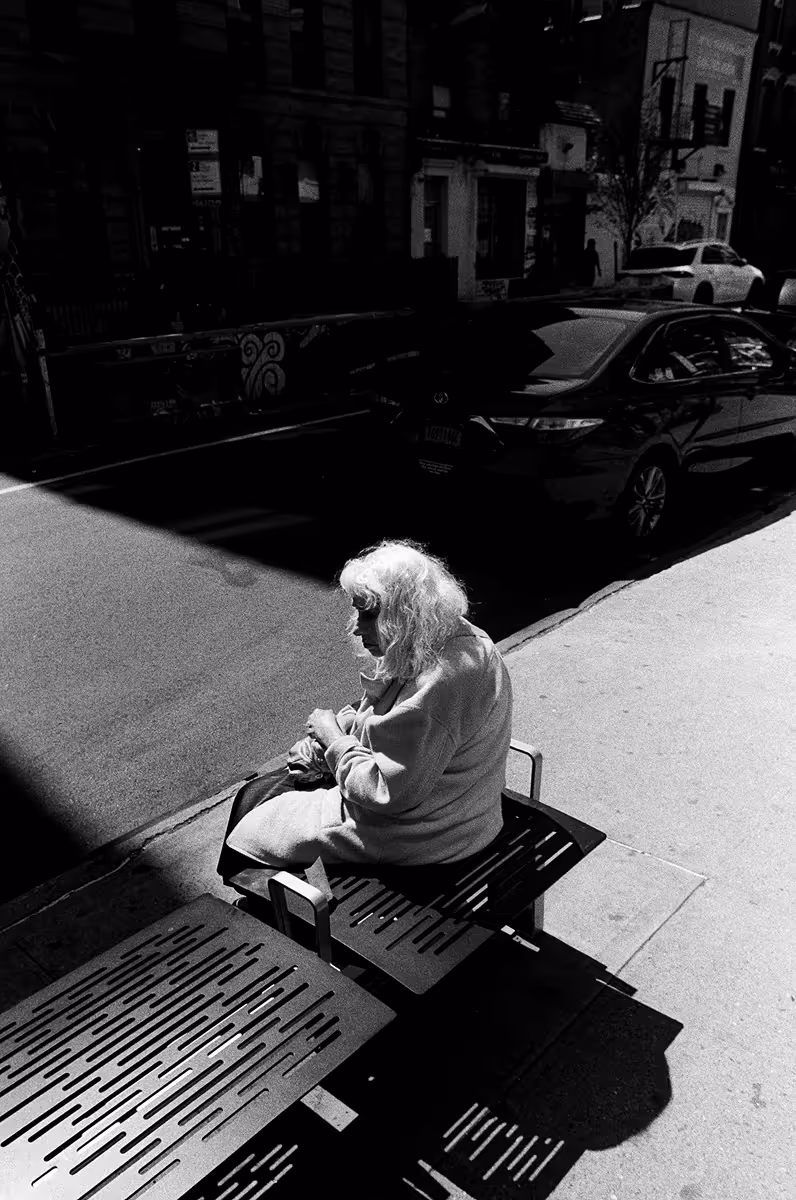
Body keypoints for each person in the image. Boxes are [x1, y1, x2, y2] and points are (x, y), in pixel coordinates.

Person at [218, 539, 513, 877]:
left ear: (406, 614)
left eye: (368, 613)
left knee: (256, 822)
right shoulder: (453, 637)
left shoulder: (439, 682)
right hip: (462, 811)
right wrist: (337, 731)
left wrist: (332, 739)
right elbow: (389, 710)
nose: (358, 627)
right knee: (259, 794)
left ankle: (271, 916)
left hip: (430, 836)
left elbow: (386, 792)